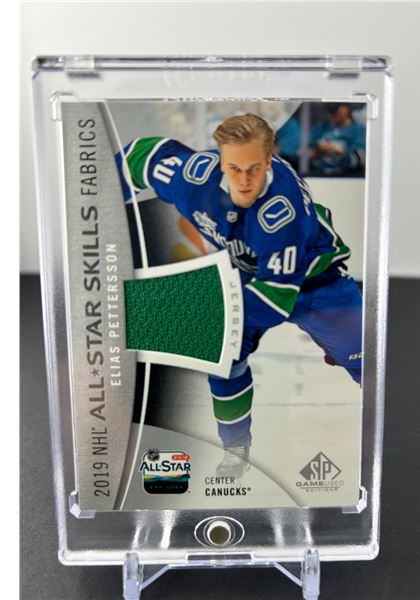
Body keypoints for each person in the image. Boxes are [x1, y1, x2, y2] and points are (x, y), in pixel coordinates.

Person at [117, 113, 362, 478]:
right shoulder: (192, 179)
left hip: (316, 283)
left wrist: (184, 314)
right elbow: (141, 156)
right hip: (247, 275)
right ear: (220, 161)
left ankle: (388, 430)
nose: (244, 181)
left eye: (254, 169)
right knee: (225, 357)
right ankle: (236, 449)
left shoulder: (280, 213)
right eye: (234, 168)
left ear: (269, 161)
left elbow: (273, 302)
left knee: (365, 357)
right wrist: (98, 210)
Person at [309, 103, 366, 176]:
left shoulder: (358, 130)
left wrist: (337, 150)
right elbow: (304, 155)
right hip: (319, 174)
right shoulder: (320, 128)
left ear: (347, 108)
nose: (333, 112)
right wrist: (317, 151)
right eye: (330, 109)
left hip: (347, 176)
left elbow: (361, 158)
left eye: (336, 108)